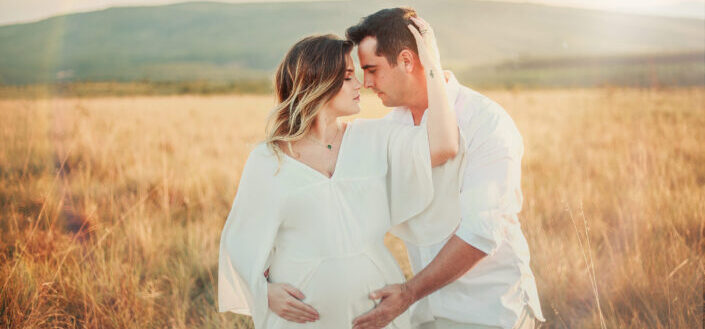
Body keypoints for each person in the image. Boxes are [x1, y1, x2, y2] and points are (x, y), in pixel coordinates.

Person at [218, 27, 465, 329]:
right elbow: (241, 241)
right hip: (300, 319)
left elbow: (444, 145)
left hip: (377, 311)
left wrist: (431, 63)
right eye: (348, 76)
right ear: (318, 82)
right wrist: (263, 292)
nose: (360, 84)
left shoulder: (373, 137)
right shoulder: (269, 159)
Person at [340, 8, 545, 329]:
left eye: (372, 69)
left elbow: (481, 232)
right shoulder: (392, 128)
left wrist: (409, 292)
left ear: (407, 60)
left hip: (490, 312)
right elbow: (347, 206)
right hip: (426, 315)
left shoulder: (486, 122)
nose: (366, 83)